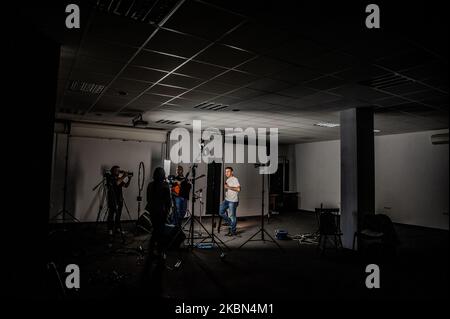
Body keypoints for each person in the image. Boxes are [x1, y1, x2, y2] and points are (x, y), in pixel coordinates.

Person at [145, 167, 172, 256]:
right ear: (163, 175)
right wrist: (168, 212)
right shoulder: (165, 185)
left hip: (153, 211)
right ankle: (160, 252)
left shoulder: (150, 185)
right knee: (160, 231)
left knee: (156, 230)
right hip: (161, 212)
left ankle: (152, 250)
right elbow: (168, 201)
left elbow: (148, 199)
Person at [106, 165, 131, 236]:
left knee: (118, 215)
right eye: (117, 170)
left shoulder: (119, 178)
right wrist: (124, 176)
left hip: (119, 199)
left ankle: (117, 229)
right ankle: (110, 229)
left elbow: (126, 186)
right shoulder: (110, 178)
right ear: (112, 171)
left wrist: (129, 179)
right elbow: (116, 183)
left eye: (119, 170)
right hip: (112, 199)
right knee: (111, 215)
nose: (118, 171)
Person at [219, 167, 241, 236]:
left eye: (228, 171)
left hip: (233, 201)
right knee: (221, 211)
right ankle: (231, 223)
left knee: (232, 216)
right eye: (226, 172)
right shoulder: (228, 179)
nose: (226, 173)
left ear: (232, 172)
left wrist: (228, 187)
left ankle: (233, 231)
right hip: (227, 200)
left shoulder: (235, 179)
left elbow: (238, 189)